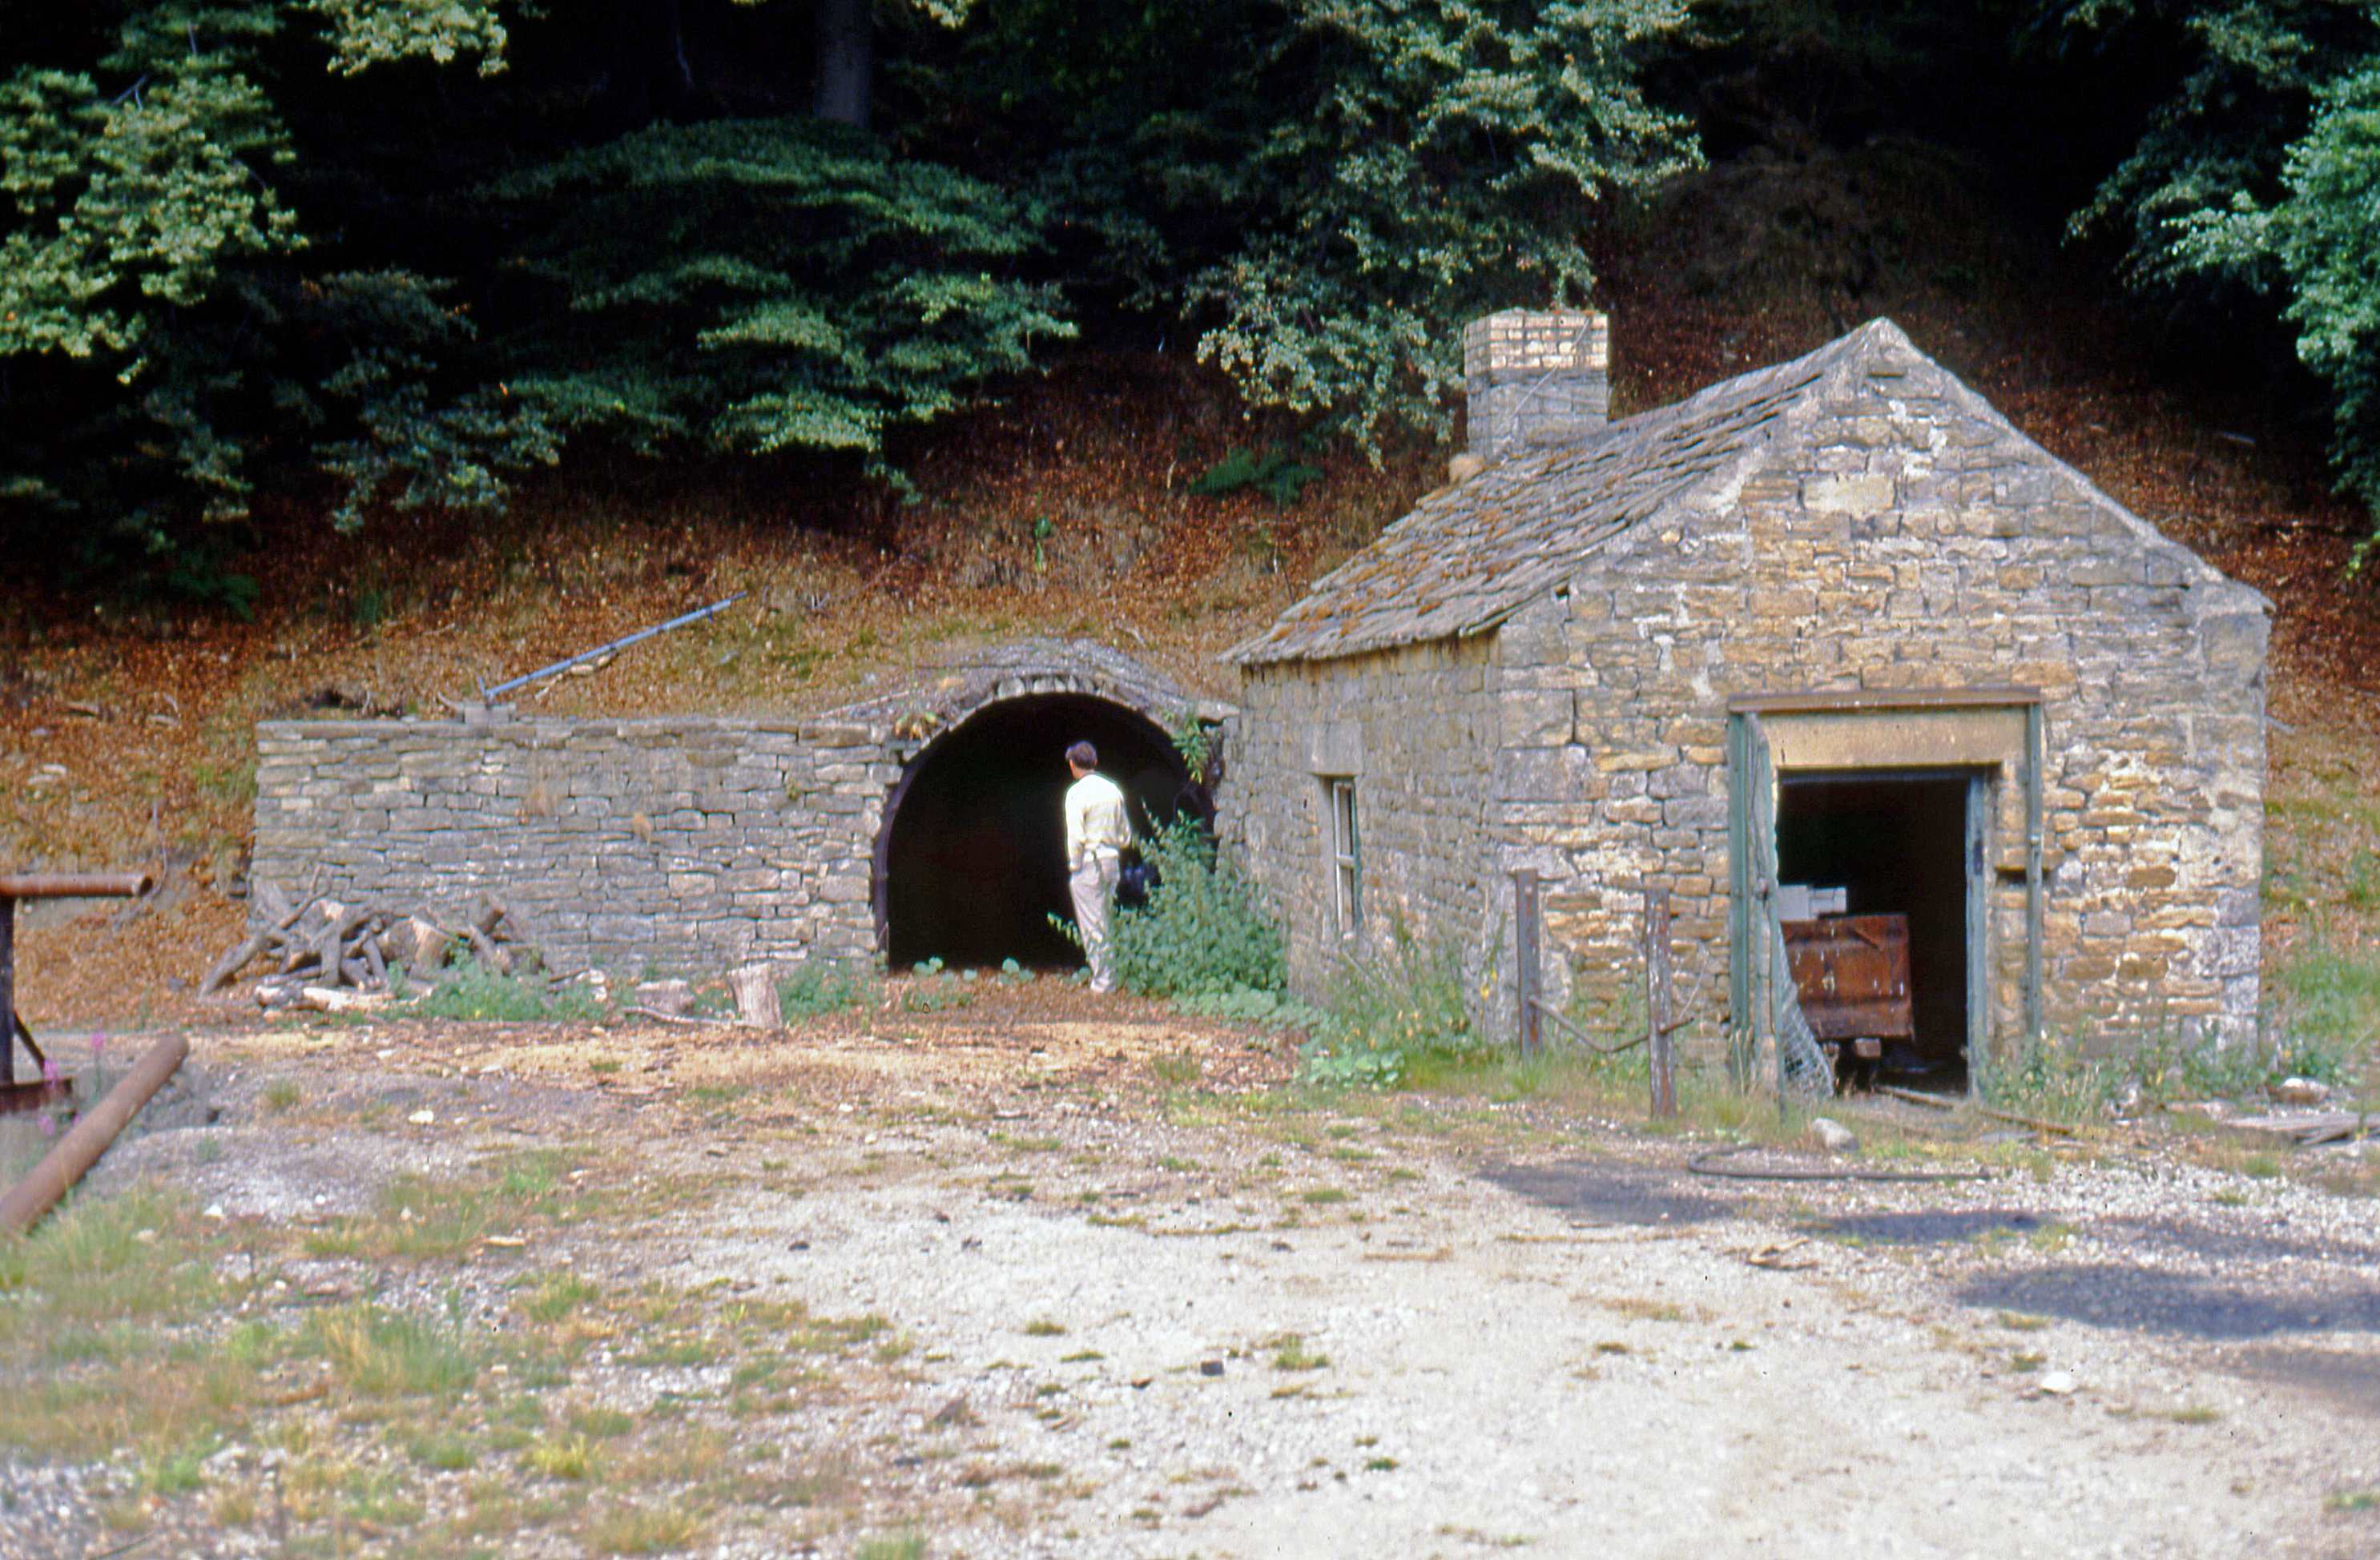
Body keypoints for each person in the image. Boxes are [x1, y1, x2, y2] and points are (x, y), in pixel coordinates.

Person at [1062, 740, 1132, 993]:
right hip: (1111, 861)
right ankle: (1111, 974)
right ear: (1095, 763)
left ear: (1072, 765)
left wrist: (1074, 864)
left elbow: (1077, 837)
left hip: (1089, 862)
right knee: (1106, 919)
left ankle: (1103, 982)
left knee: (1092, 923)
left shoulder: (1076, 794)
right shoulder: (1113, 790)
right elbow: (1126, 835)